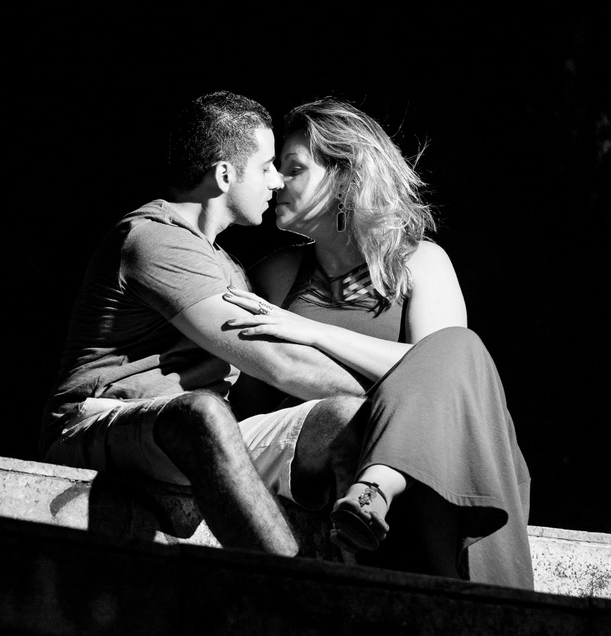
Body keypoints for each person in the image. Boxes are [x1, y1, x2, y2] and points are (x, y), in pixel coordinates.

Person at [38, 90, 368, 556]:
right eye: (267, 166)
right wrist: (392, 400)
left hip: (201, 437)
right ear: (225, 174)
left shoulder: (230, 268)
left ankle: (365, 577)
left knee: (343, 416)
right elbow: (278, 360)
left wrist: (375, 415)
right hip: (97, 422)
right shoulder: (153, 239)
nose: (276, 181)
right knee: (202, 413)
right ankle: (296, 591)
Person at [222, 97, 533, 589]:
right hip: (324, 465)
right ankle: (375, 489)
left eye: (294, 168)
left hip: (435, 474)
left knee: (460, 349)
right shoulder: (277, 275)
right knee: (456, 352)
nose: (277, 181)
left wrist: (317, 332)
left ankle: (379, 488)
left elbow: (447, 376)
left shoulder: (421, 263)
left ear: (346, 179)